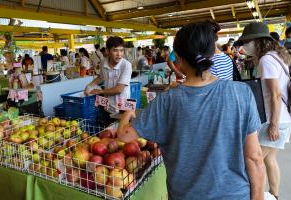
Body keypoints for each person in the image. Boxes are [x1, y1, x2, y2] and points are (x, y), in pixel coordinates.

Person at [117, 22, 265, 200]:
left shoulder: (166, 101)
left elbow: (125, 135)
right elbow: (254, 157)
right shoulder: (241, 93)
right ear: (212, 52)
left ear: (178, 59)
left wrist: (126, 114)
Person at [239, 22, 291, 199]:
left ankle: (258, 196)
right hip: (282, 118)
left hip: (275, 120)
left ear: (258, 41)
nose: (245, 46)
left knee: (253, 160)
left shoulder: (266, 60)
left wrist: (273, 125)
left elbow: (276, 94)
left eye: (248, 41)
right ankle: (274, 195)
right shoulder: (276, 56)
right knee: (270, 159)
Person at [85, 36, 132, 121]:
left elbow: (119, 89)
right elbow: (101, 77)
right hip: (107, 106)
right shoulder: (104, 62)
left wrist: (100, 91)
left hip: (122, 109)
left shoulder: (126, 65)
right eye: (115, 50)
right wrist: (89, 86)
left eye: (121, 50)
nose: (119, 54)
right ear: (108, 51)